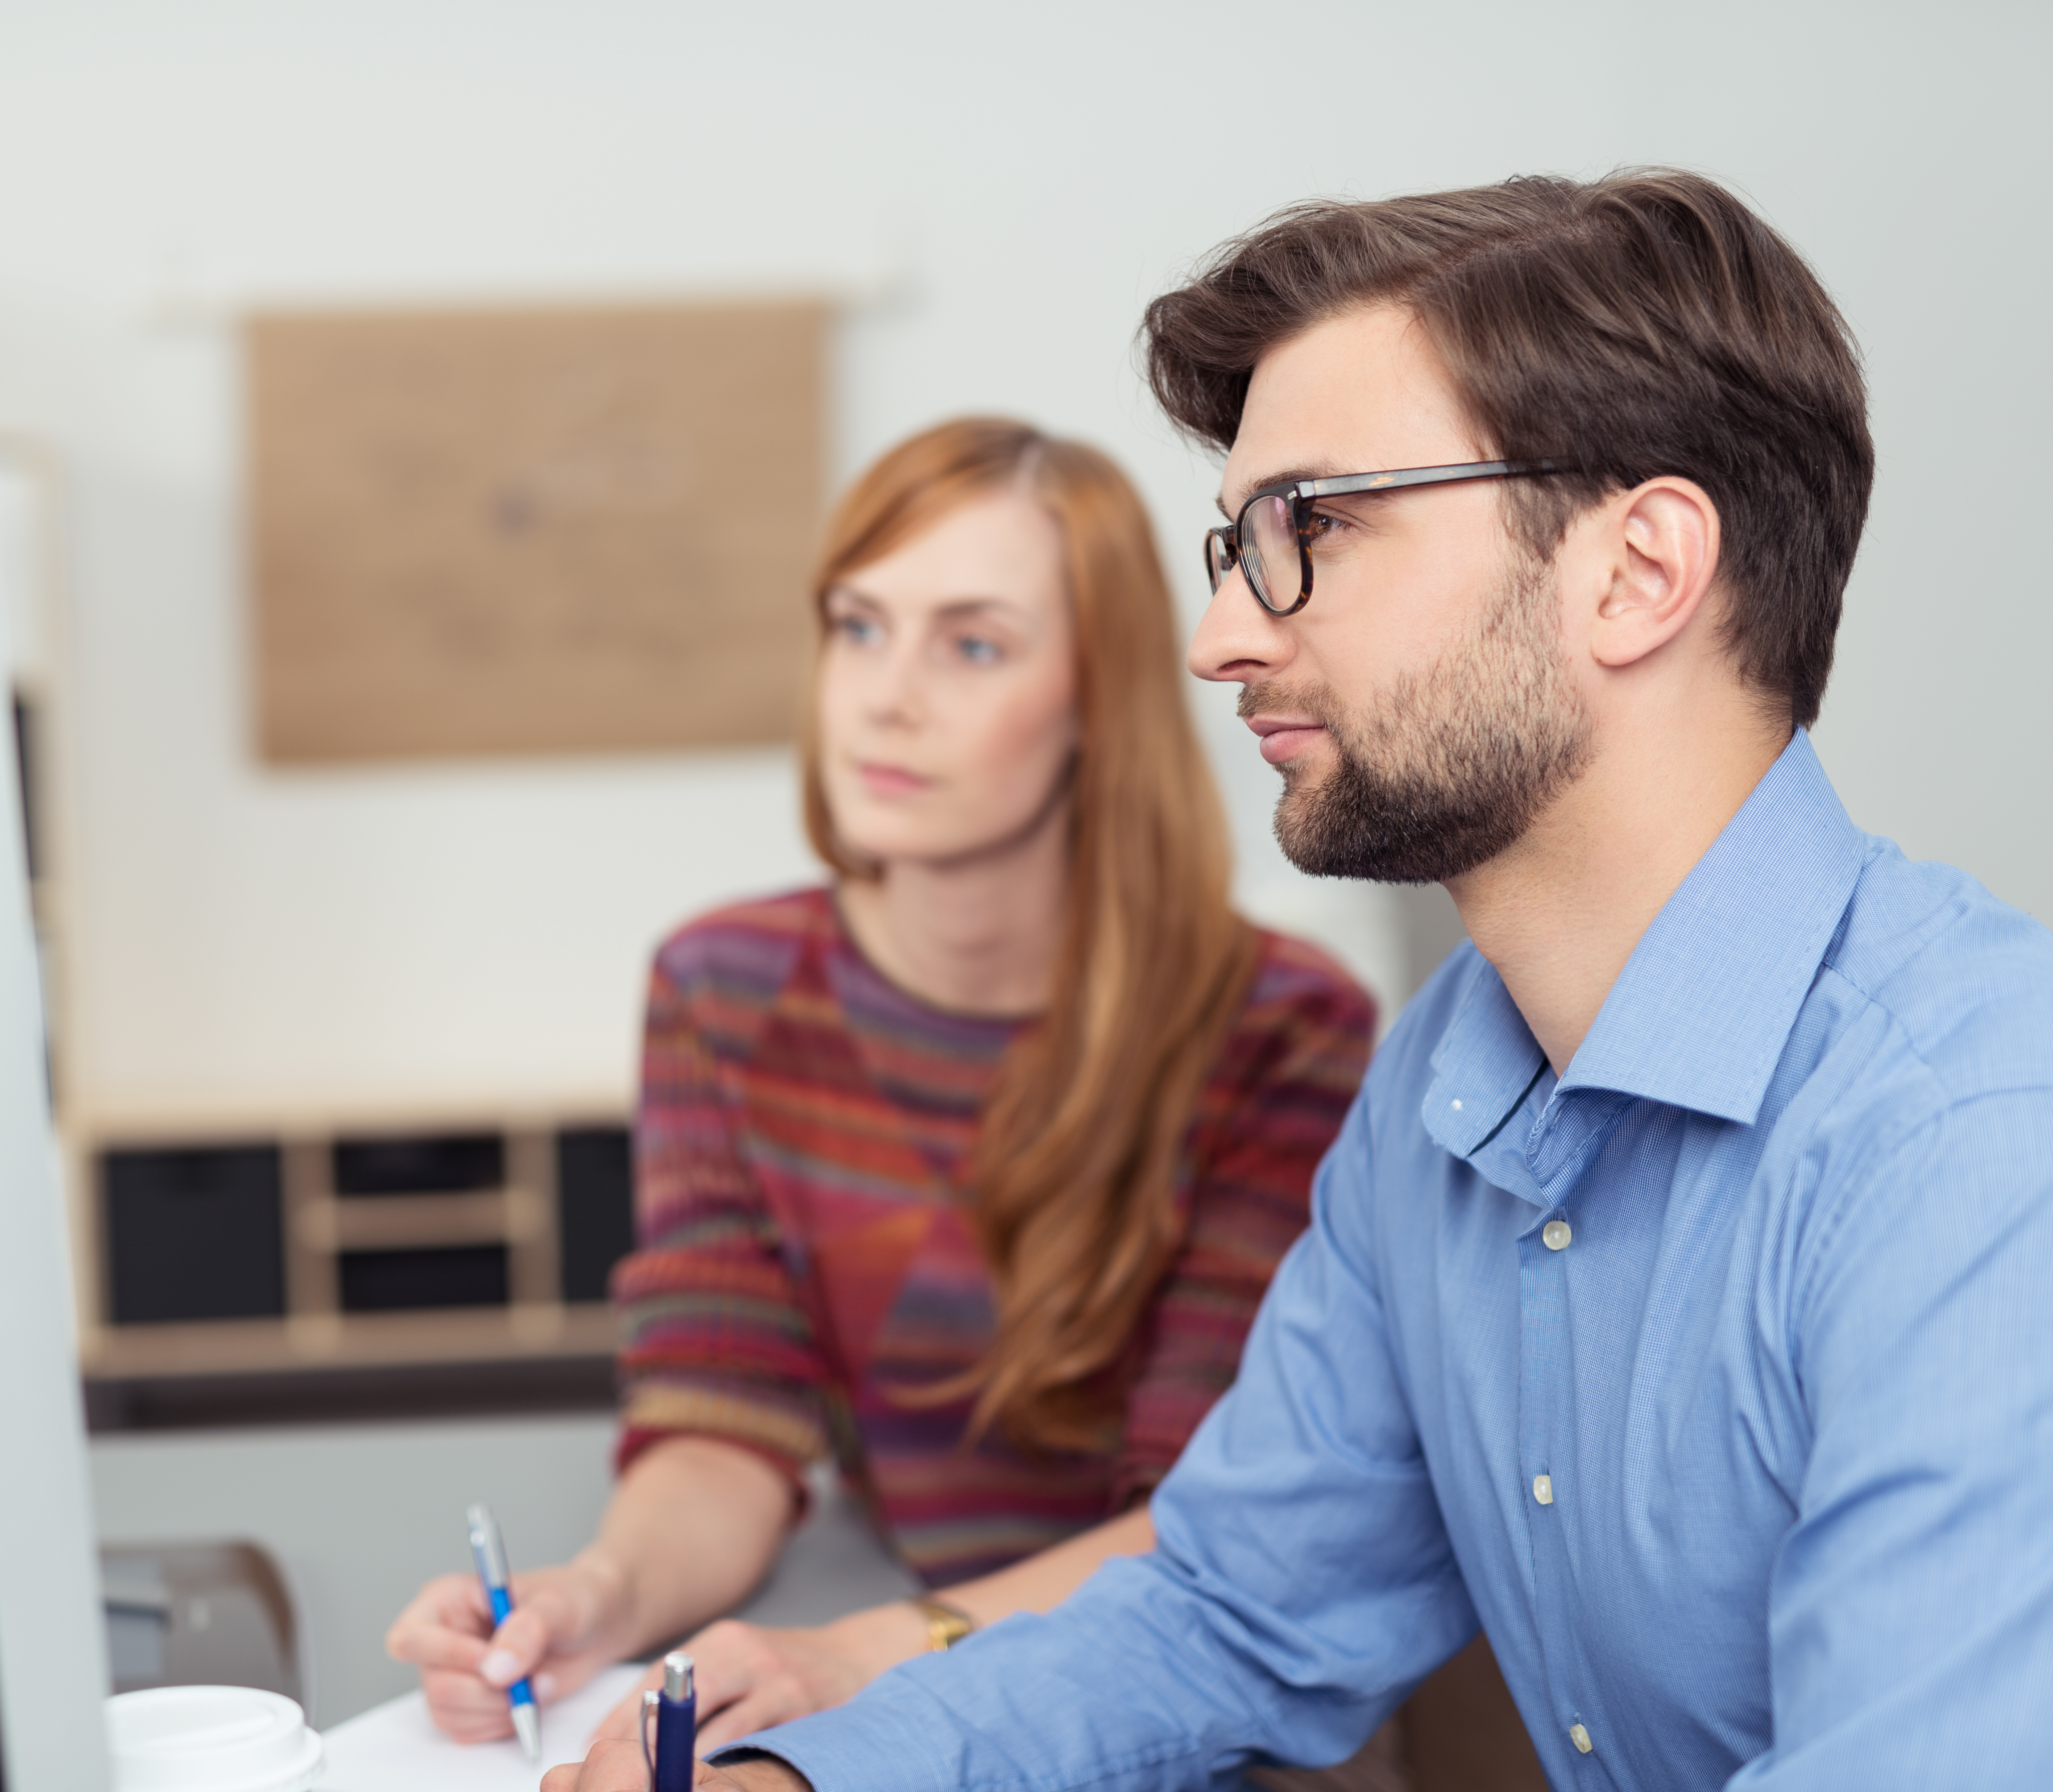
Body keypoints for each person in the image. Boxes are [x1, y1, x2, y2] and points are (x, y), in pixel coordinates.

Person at [549, 170, 2053, 1792]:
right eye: (1240, 543)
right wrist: (795, 1782)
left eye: (1315, 528)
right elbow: (1222, 1612)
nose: (1216, 639)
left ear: (1636, 572)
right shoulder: (1437, 1090)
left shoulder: (1975, 1143)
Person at [385, 418, 1377, 1766]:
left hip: (1183, 1701)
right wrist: (592, 1597)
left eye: (972, 645)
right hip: (910, 1682)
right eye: (859, 628)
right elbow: (724, 1420)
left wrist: (856, 1656)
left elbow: (1212, 1527)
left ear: (1100, 701)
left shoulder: (1281, 1030)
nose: (883, 696)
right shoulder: (724, 987)